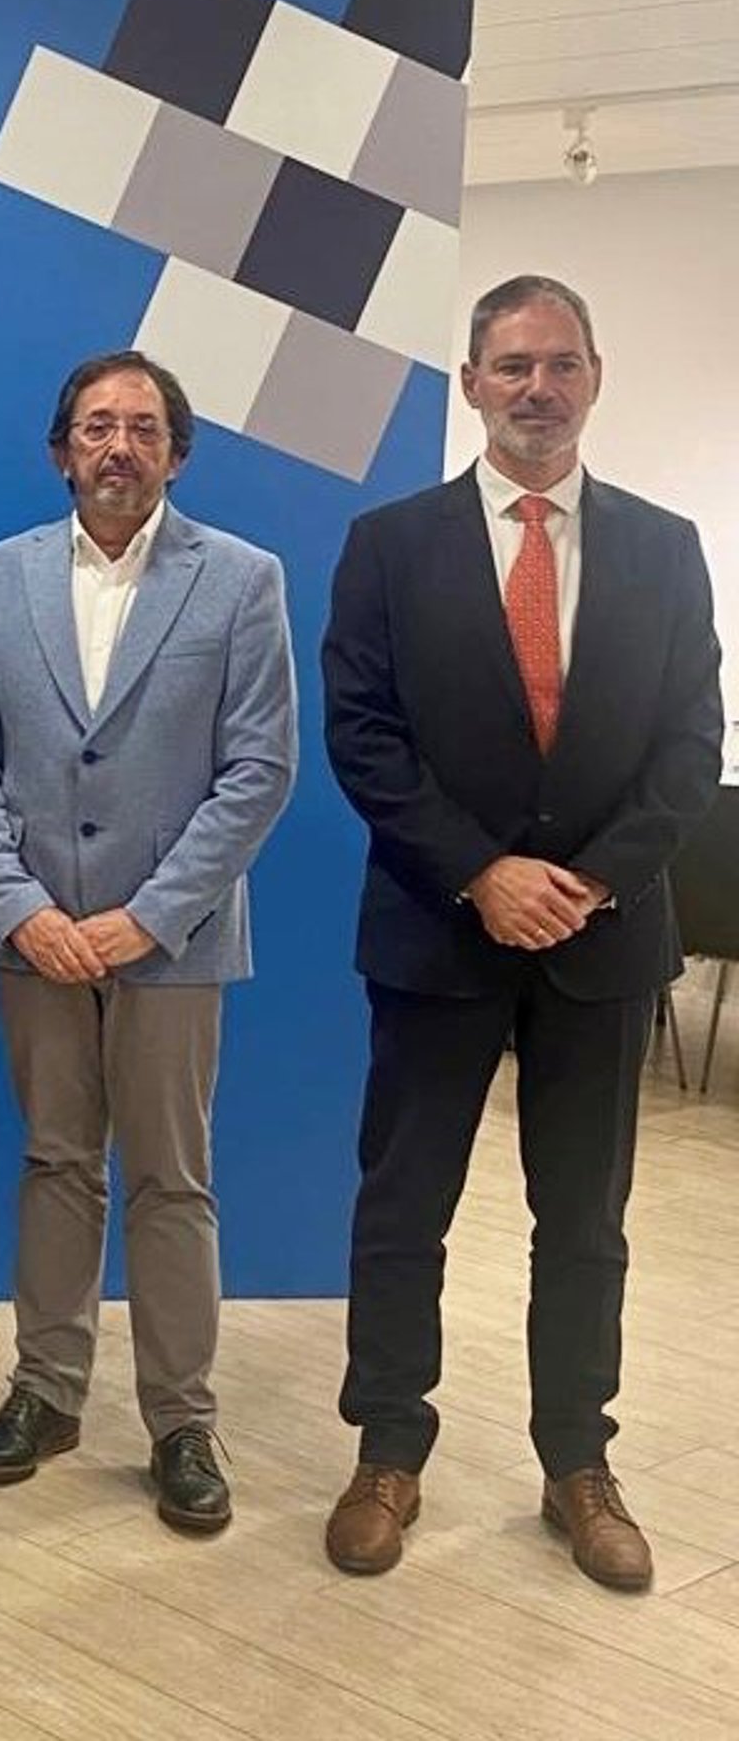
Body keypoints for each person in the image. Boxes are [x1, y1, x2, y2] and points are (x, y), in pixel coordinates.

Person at [320, 275, 723, 1589]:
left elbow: (690, 744)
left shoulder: (665, 548)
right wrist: (482, 872)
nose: (537, 388)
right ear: (472, 383)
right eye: (512, 365)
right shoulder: (390, 544)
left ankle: (577, 1463)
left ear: (594, 377)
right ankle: (388, 1448)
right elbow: (362, 737)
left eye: (560, 363)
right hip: (437, 933)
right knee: (403, 1205)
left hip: (604, 944)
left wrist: (589, 882)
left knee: (587, 1219)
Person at [0, 349, 296, 1532]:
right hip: (36, 939)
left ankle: (182, 1420)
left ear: (176, 453)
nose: (120, 447)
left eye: (144, 428)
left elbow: (259, 769)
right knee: (55, 1162)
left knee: (171, 1178)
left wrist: (148, 913)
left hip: (171, 945)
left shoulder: (241, 580)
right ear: (61, 451)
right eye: (97, 426)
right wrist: (21, 907)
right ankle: (46, 1391)